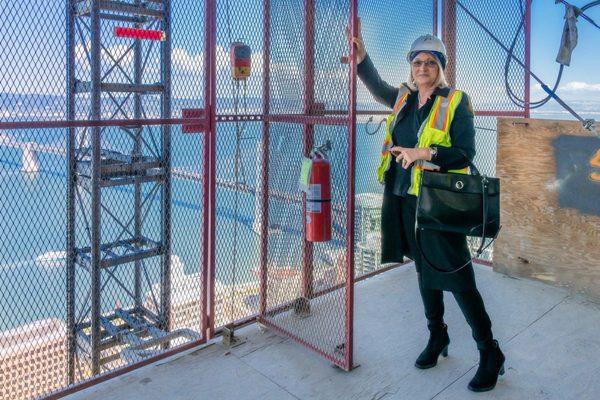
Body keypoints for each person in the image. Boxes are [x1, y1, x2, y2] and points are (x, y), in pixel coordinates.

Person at [346, 23, 506, 392]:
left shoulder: (456, 102)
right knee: (424, 271)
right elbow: (380, 88)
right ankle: (438, 336)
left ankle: (489, 351)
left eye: (429, 63)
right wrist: (362, 60)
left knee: (460, 279)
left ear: (441, 67)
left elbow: (466, 152)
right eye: (417, 63)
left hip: (437, 205)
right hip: (403, 199)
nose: (422, 68)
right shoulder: (403, 98)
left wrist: (425, 153)